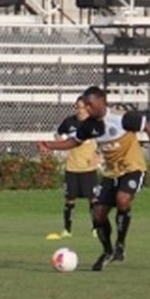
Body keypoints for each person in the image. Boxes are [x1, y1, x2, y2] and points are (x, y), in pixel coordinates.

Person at [39, 86, 150, 271]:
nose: (88, 109)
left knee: (122, 199)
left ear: (102, 101)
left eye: (90, 105)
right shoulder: (90, 125)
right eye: (86, 106)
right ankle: (108, 251)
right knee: (97, 214)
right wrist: (49, 145)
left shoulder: (122, 118)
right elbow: (74, 141)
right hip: (111, 173)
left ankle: (120, 245)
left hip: (133, 168)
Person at [53, 97, 99, 238]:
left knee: (93, 199)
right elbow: (57, 133)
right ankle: (67, 230)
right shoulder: (69, 122)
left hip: (88, 169)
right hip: (72, 168)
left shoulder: (95, 123)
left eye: (82, 107)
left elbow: (105, 140)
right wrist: (62, 144)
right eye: (77, 107)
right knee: (70, 199)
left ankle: (96, 229)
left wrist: (99, 156)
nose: (79, 110)